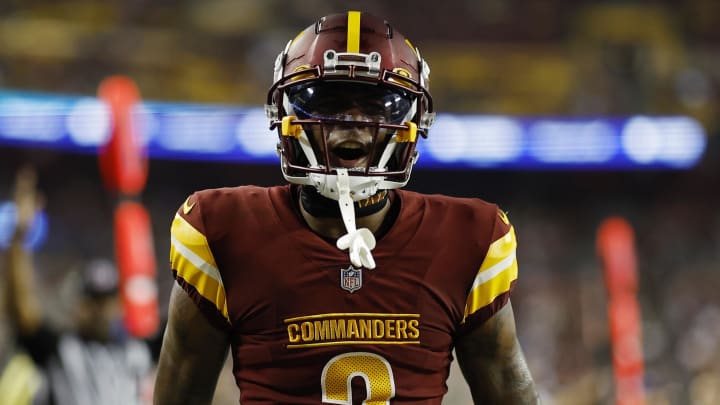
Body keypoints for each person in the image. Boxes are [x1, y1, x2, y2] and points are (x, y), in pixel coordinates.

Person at [154, 11, 540, 404]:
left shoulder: (468, 238)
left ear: (413, 120)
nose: (351, 122)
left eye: (377, 105)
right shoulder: (221, 231)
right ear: (284, 116)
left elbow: (508, 390)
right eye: (326, 101)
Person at [3, 166, 154, 405]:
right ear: (78, 305)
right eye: (92, 300)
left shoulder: (139, 352)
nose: (99, 310)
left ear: (118, 304)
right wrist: (19, 238)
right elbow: (20, 311)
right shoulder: (60, 350)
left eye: (106, 300)